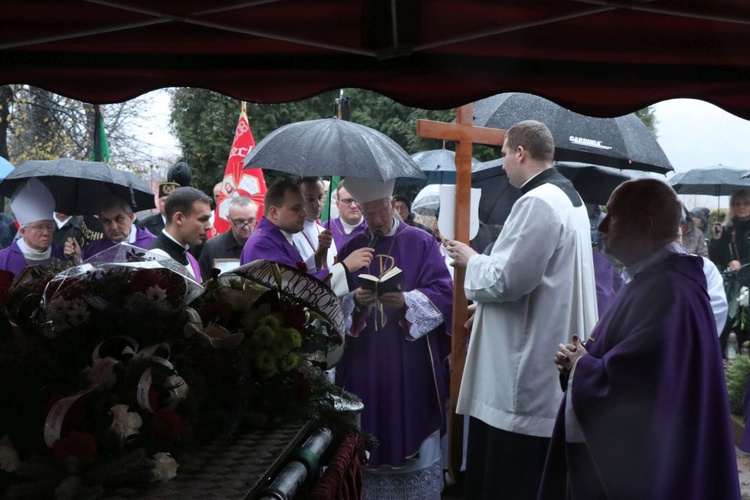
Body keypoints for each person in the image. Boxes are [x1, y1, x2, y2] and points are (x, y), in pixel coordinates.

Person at [539, 178, 740, 500]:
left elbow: (645, 382)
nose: (602, 226)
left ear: (645, 226)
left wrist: (583, 368)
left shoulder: (672, 291)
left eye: (613, 216)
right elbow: (627, 355)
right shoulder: (651, 279)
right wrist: (580, 360)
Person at [445, 120, 598, 500]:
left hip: (524, 372)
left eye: (502, 155)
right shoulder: (568, 197)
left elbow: (508, 280)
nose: (501, 165)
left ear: (520, 153)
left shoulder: (538, 201)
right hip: (546, 346)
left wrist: (470, 258)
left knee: (511, 480)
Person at [335, 176, 453, 500]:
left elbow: (445, 293)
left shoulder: (421, 241)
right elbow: (332, 305)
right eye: (368, 213)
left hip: (409, 361)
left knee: (412, 418)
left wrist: (408, 302)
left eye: (380, 210)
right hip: (365, 362)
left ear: (392, 203)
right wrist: (354, 302)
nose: (375, 220)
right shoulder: (350, 248)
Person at [241, 181, 373, 293]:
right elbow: (297, 288)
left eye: (303, 207)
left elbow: (298, 273)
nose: (304, 214)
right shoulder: (261, 244)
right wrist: (345, 266)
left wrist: (318, 255)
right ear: (274, 212)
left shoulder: (279, 236)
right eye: (296, 208)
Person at [0, 179, 69, 275]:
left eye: (49, 227)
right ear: (23, 231)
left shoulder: (62, 256)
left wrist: (76, 259)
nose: (46, 233)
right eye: (39, 227)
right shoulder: (3, 259)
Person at [148, 186, 211, 281]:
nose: (209, 226)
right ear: (179, 218)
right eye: (202, 219)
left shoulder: (190, 258)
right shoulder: (156, 260)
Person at [199, 195, 257, 279]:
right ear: (228, 219)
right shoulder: (212, 247)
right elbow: (203, 283)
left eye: (251, 220)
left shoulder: (267, 245)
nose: (246, 227)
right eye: (240, 221)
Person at [81, 196, 156, 260]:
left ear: (131, 217)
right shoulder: (93, 250)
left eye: (119, 219)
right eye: (106, 221)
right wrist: (78, 258)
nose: (114, 227)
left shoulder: (153, 245)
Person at [292, 177, 337, 272]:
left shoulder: (323, 231)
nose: (318, 204)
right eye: (310, 199)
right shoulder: (290, 234)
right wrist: (320, 251)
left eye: (320, 197)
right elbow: (297, 274)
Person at [322, 181, 367, 249]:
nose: (353, 206)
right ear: (337, 204)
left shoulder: (373, 230)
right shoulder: (323, 229)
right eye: (347, 201)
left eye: (357, 199)